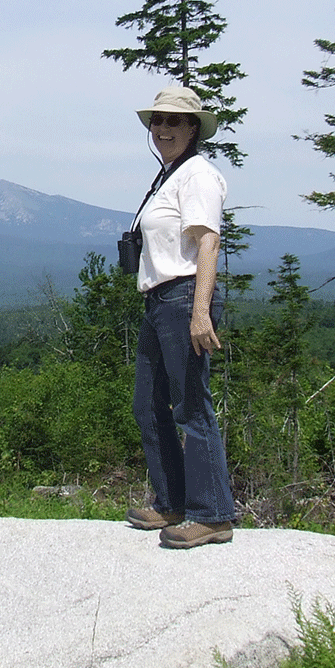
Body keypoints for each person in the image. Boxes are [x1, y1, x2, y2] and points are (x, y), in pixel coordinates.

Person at [124, 85, 235, 548]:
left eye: (174, 121)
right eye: (158, 120)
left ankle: (212, 515)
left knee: (190, 405)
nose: (163, 129)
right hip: (159, 301)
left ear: (193, 128)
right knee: (148, 406)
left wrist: (200, 311)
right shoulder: (169, 176)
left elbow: (208, 242)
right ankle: (171, 501)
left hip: (184, 297)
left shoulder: (198, 177)